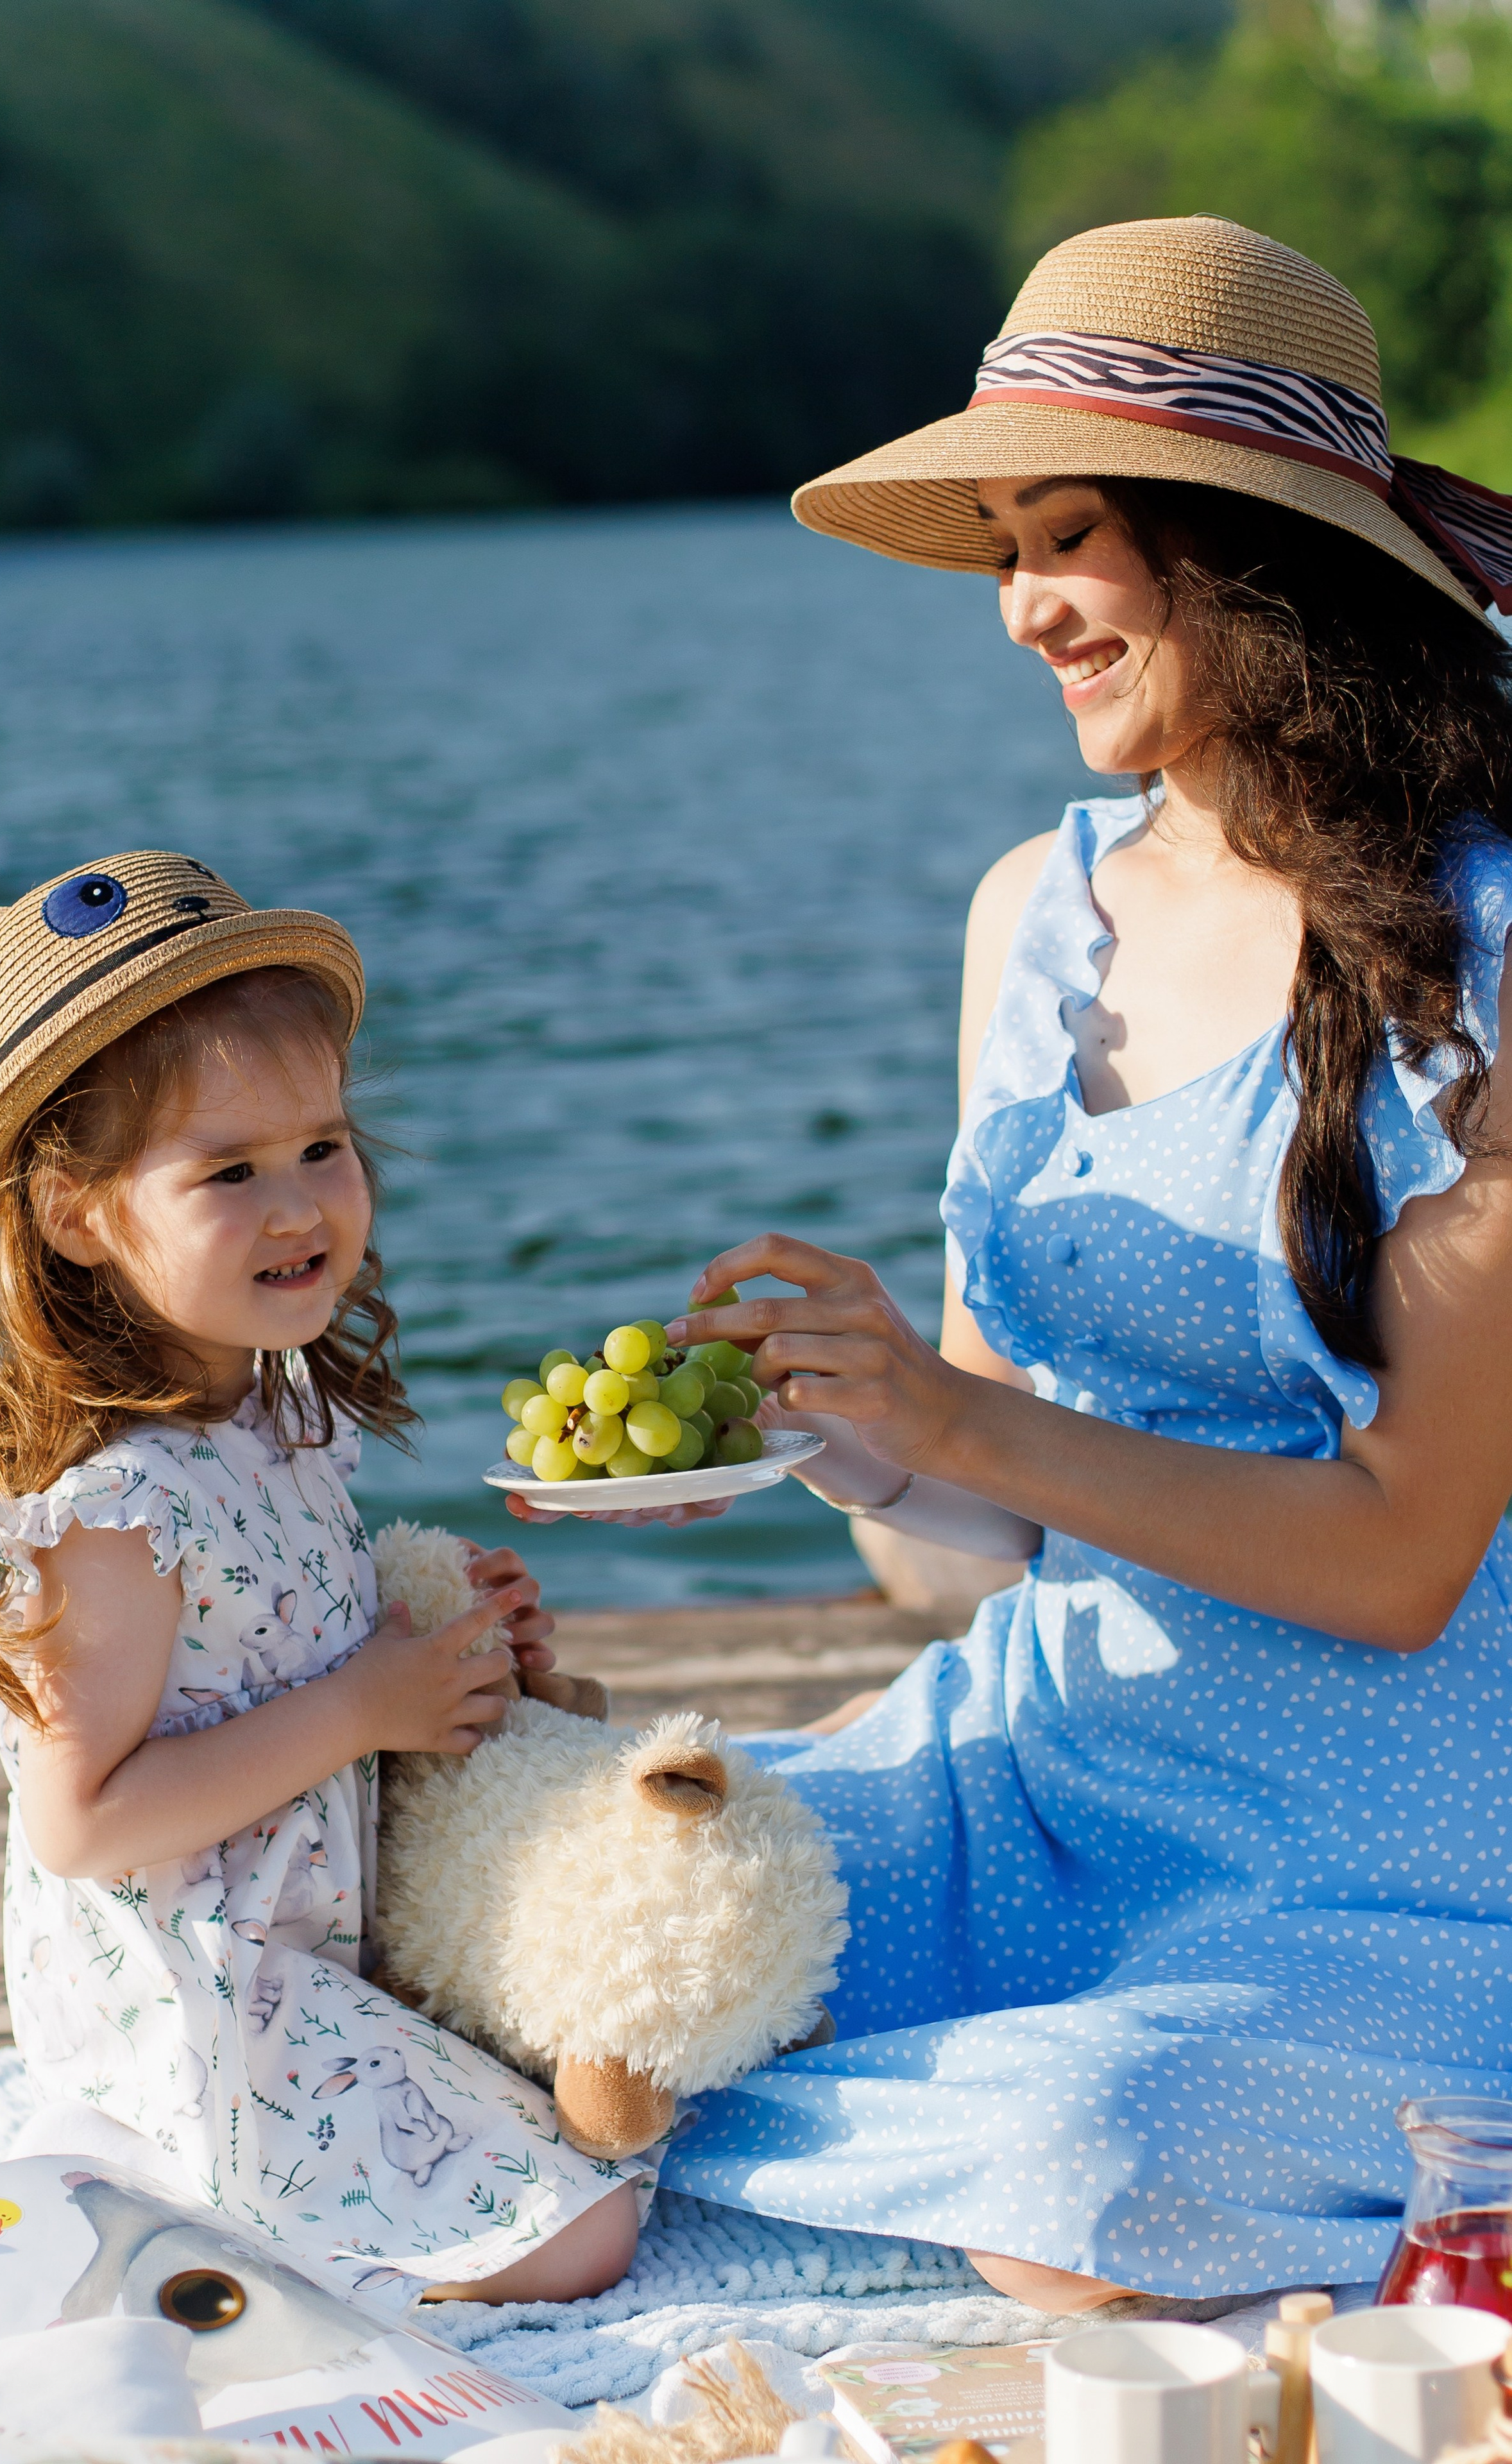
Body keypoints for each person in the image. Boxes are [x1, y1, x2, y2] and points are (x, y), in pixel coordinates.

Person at [647, 217, 1512, 2314]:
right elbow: (971, 1560)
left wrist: (964, 1418)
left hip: (1393, 1854)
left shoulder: (1487, 937)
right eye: (1007, 546)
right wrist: (863, 1439)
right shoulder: (1027, 917)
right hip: (1041, 1769)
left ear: (1246, 545)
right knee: (570, 1916)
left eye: (1071, 541)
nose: (1023, 608)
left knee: (1085, 2169)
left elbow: (1406, 1561)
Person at [0, 850, 641, 2309]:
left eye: (322, 1145)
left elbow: (266, 1639)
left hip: (313, 1935)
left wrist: (428, 1633)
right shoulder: (111, 1512)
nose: (300, 1203)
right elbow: (83, 1822)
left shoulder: (269, 1398)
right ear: (76, 1215)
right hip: (203, 1998)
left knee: (607, 2096)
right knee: (580, 2234)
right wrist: (365, 1705)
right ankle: (164, 2192)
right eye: (228, 1172)